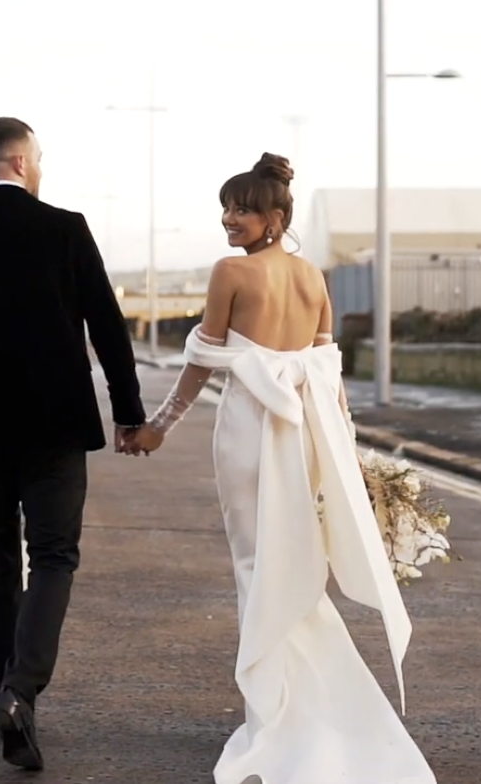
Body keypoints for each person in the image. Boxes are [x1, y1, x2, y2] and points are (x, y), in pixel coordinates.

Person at [126, 153, 435, 784]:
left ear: (276, 218)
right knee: (295, 564)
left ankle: (274, 719)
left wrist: (159, 425)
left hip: (249, 430)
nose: (229, 218)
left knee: (256, 565)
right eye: (226, 207)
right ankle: (316, 710)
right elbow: (329, 374)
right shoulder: (313, 277)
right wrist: (346, 450)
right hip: (306, 438)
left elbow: (203, 360)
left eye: (243, 209)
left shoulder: (230, 273)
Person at [0, 117, 145, 772]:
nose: (40, 170)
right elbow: (108, 327)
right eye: (37, 159)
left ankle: (3, 688)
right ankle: (20, 691)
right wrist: (128, 413)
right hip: (56, 424)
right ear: (19, 161)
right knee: (53, 556)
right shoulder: (65, 229)